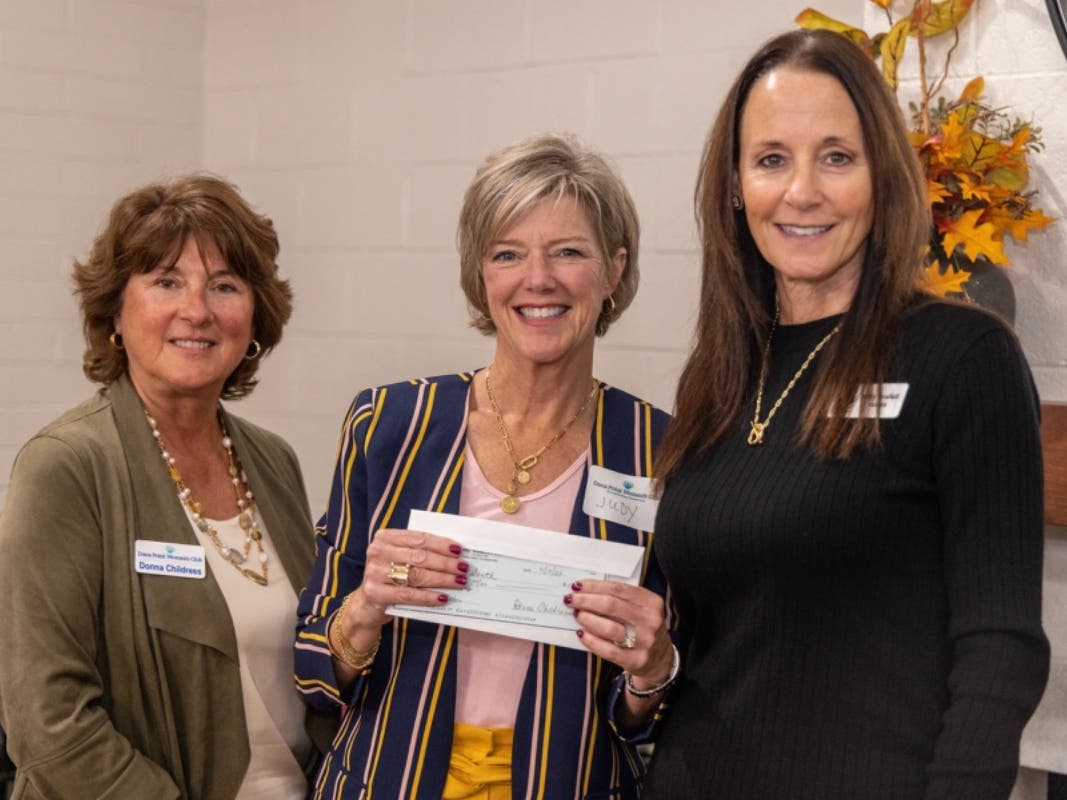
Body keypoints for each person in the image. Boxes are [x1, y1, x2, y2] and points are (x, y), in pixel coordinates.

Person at [643, 28, 1051, 800]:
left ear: (880, 177)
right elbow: (717, 637)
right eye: (770, 160)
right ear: (734, 185)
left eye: (836, 156)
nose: (802, 191)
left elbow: (999, 646)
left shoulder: (960, 360)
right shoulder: (722, 372)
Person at [294, 133, 678, 799]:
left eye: (568, 252)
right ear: (479, 274)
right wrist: (366, 608)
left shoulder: (659, 450)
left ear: (613, 270)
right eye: (508, 254)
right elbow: (315, 671)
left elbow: (641, 713)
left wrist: (652, 669)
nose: (538, 279)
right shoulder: (389, 424)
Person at [0, 175, 336, 799]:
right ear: (115, 315)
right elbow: (49, 725)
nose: (198, 310)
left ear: (254, 317)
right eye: (166, 282)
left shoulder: (273, 461)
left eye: (225, 286)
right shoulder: (66, 467)